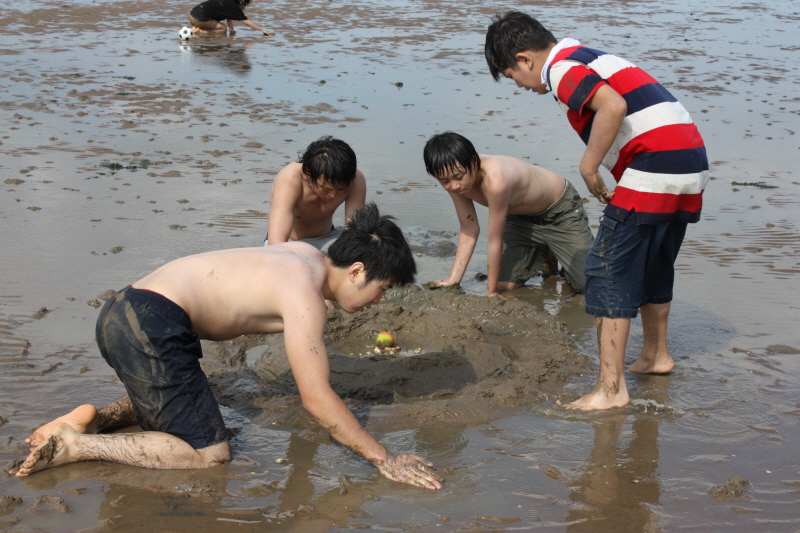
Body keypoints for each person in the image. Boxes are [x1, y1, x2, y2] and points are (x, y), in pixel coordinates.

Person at [12, 204, 442, 490]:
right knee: (209, 456)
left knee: (189, 388)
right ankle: (77, 446)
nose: (379, 301)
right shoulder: (305, 298)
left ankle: (98, 419)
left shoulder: (302, 254)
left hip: (122, 309)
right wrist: (384, 458)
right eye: (383, 289)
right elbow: (316, 398)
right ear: (357, 271)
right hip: (151, 325)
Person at [485, 12, 709, 410]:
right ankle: (655, 355)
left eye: (512, 76)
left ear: (524, 60)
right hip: (689, 161)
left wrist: (589, 167)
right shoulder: (588, 55)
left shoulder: (559, 68)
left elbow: (612, 105)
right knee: (654, 262)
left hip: (654, 163)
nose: (520, 86)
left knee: (606, 269)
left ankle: (610, 389)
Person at [423, 132, 593, 297]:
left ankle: (553, 247)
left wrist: (491, 293)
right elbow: (469, 229)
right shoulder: (453, 178)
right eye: (444, 181)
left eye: (459, 177)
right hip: (519, 218)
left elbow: (494, 240)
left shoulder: (495, 181)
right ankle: (545, 253)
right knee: (504, 284)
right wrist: (453, 280)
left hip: (559, 211)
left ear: (473, 162)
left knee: (589, 286)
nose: (454, 185)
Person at [265, 136, 366, 253]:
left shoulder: (355, 180)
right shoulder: (290, 179)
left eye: (339, 190)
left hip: (329, 237)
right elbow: (276, 243)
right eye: (326, 189)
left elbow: (354, 232)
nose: (332, 196)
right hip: (291, 242)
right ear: (308, 173)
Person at [189, 0, 272, 36]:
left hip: (192, 15)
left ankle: (198, 27)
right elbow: (246, 21)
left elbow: (229, 16)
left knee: (222, 27)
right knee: (222, 29)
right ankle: (199, 31)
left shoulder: (228, 2)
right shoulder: (234, 6)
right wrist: (262, 30)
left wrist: (231, 28)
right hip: (200, 19)